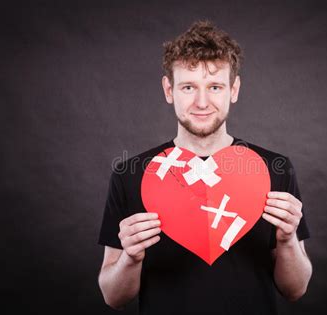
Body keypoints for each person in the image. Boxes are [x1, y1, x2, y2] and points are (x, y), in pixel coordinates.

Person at [97, 20, 312, 315]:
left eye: (214, 86)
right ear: (168, 89)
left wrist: (287, 241)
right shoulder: (131, 175)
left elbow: (296, 289)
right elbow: (112, 296)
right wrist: (130, 259)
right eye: (188, 87)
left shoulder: (273, 170)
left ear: (233, 90)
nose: (201, 102)